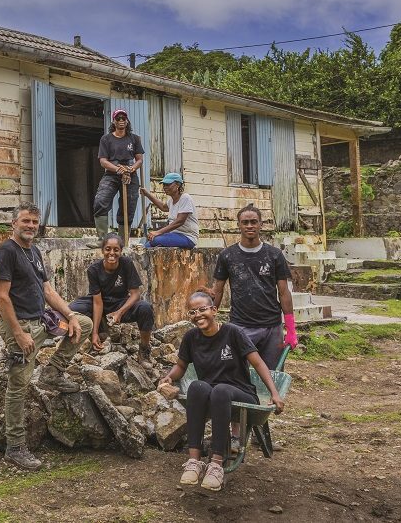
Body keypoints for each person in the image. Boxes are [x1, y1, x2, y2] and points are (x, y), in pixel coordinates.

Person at [0, 202, 93, 471]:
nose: (31, 226)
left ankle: (53, 373)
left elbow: (47, 290)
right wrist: (17, 334)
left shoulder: (34, 251)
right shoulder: (7, 251)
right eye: (25, 221)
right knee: (19, 385)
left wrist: (70, 315)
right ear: (14, 223)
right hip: (21, 326)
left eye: (34, 222)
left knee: (84, 322)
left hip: (43, 320)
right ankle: (15, 447)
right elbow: (1, 297)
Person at [157, 291, 284, 492]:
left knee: (221, 390)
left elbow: (258, 363)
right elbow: (181, 366)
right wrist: (170, 377)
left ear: (214, 310)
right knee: (197, 386)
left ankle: (216, 463)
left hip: (241, 393)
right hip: (212, 394)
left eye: (202, 309)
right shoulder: (191, 337)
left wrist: (274, 393)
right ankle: (194, 461)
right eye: (192, 312)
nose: (198, 315)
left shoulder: (233, 333)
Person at [208, 204, 298, 370]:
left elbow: (284, 293)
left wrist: (291, 328)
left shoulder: (274, 255)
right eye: (245, 222)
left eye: (253, 222)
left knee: (272, 375)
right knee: (239, 374)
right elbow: (218, 290)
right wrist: (209, 319)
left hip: (272, 327)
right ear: (239, 225)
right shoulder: (227, 256)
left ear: (261, 224)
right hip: (240, 326)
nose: (249, 226)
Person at [67, 233, 155, 361]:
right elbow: (97, 302)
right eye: (108, 249)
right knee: (72, 308)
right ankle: (98, 331)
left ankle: (144, 348)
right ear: (102, 250)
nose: (111, 253)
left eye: (116, 249)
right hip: (100, 302)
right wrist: (95, 333)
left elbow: (136, 294)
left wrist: (119, 312)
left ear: (121, 251)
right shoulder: (94, 270)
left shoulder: (126, 263)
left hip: (120, 303)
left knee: (145, 308)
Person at [88, 109, 144, 247]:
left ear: (127, 121)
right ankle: (102, 239)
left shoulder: (134, 138)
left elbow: (139, 160)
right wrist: (118, 169)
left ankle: (123, 241)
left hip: (130, 174)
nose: (121, 120)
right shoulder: (106, 139)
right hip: (112, 174)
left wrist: (131, 169)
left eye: (123, 118)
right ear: (113, 121)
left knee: (129, 206)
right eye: (118, 118)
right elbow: (103, 161)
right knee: (101, 200)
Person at [141, 172, 199, 249]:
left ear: (178, 185)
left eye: (168, 184)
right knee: (146, 244)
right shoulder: (171, 200)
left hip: (188, 237)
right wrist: (147, 194)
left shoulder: (185, 198)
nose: (165, 187)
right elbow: (163, 207)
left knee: (155, 240)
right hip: (174, 235)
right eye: (164, 185)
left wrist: (158, 232)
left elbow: (179, 221)